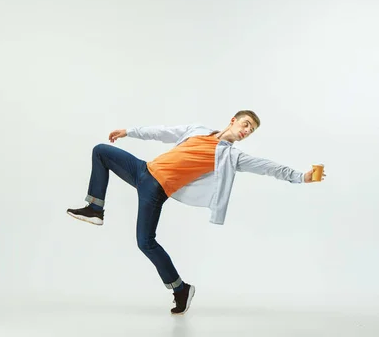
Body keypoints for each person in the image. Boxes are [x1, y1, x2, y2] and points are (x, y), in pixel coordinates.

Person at [66, 110, 326, 315]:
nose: (247, 131)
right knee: (101, 151)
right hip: (142, 170)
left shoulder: (231, 156)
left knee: (145, 243)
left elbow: (267, 167)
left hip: (156, 190)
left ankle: (180, 289)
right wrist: (129, 132)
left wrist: (301, 177)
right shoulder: (198, 130)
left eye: (252, 130)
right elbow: (164, 132)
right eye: (246, 124)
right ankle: (95, 208)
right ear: (233, 120)